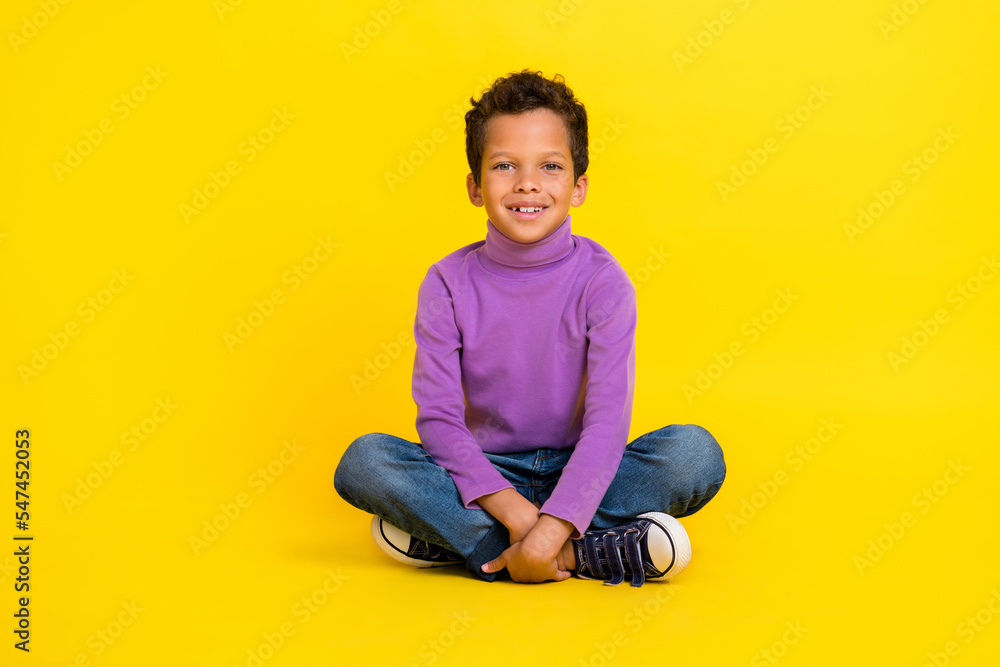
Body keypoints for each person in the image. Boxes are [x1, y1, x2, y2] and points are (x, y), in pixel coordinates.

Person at [335, 68, 726, 586]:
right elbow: (439, 421)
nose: (527, 183)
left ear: (579, 186)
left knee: (694, 453)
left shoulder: (604, 283)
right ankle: (582, 552)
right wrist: (524, 519)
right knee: (365, 462)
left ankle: (476, 543)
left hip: (582, 470)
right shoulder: (446, 283)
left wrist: (554, 519)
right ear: (475, 187)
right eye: (504, 165)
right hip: (483, 475)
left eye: (549, 165)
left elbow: (608, 424)